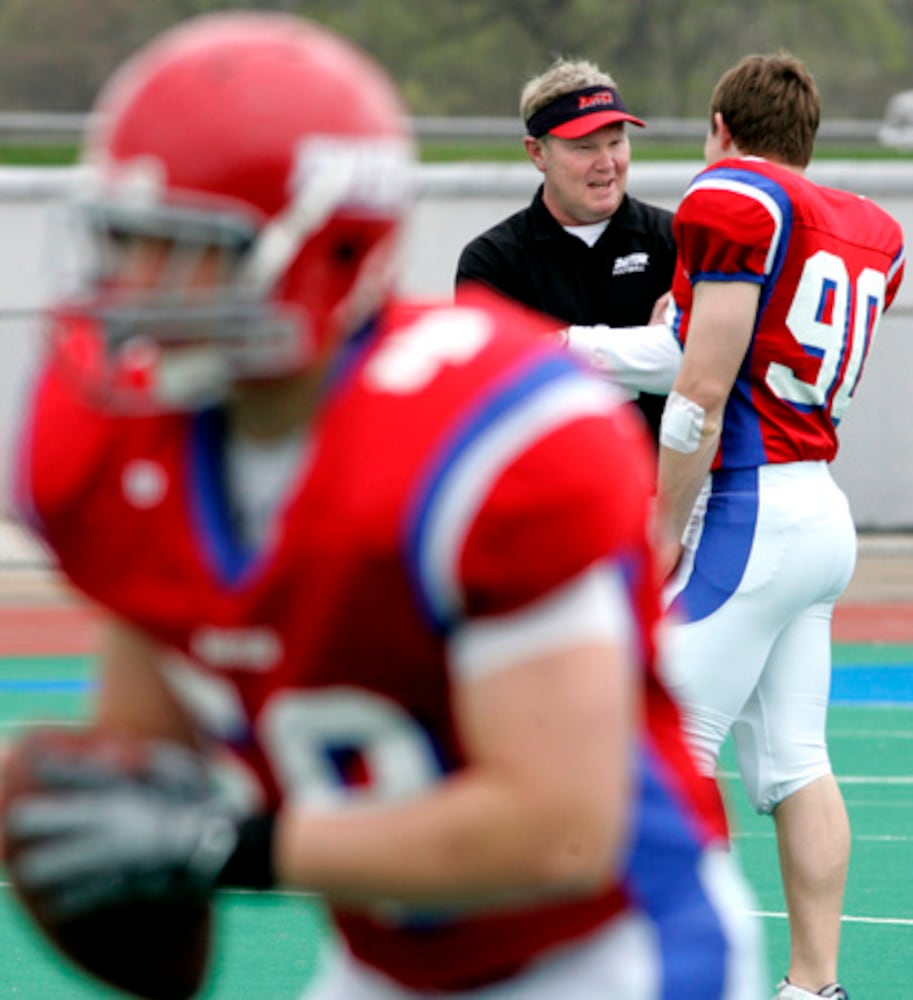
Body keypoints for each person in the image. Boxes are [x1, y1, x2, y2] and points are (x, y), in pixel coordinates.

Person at [2, 13, 763, 1000]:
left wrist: (231, 843)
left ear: (325, 246)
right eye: (125, 240)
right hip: (385, 960)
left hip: (609, 948)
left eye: (177, 248)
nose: (131, 288)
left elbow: (560, 829)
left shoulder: (486, 442)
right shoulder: (123, 445)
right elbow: (148, 761)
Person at [654, 53, 906, 1000]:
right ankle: (813, 988)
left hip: (746, 508)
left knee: (659, 745)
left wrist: (658, 528)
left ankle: (686, 979)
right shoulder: (864, 229)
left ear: (720, 124)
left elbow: (698, 399)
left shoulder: (732, 201)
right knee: (796, 761)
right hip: (816, 508)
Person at [455, 57, 681, 440]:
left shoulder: (676, 240)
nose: (607, 163)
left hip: (661, 490)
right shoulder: (492, 262)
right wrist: (644, 355)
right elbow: (497, 391)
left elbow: (704, 374)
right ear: (537, 153)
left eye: (616, 142)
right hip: (547, 490)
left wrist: (554, 351)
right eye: (584, 147)